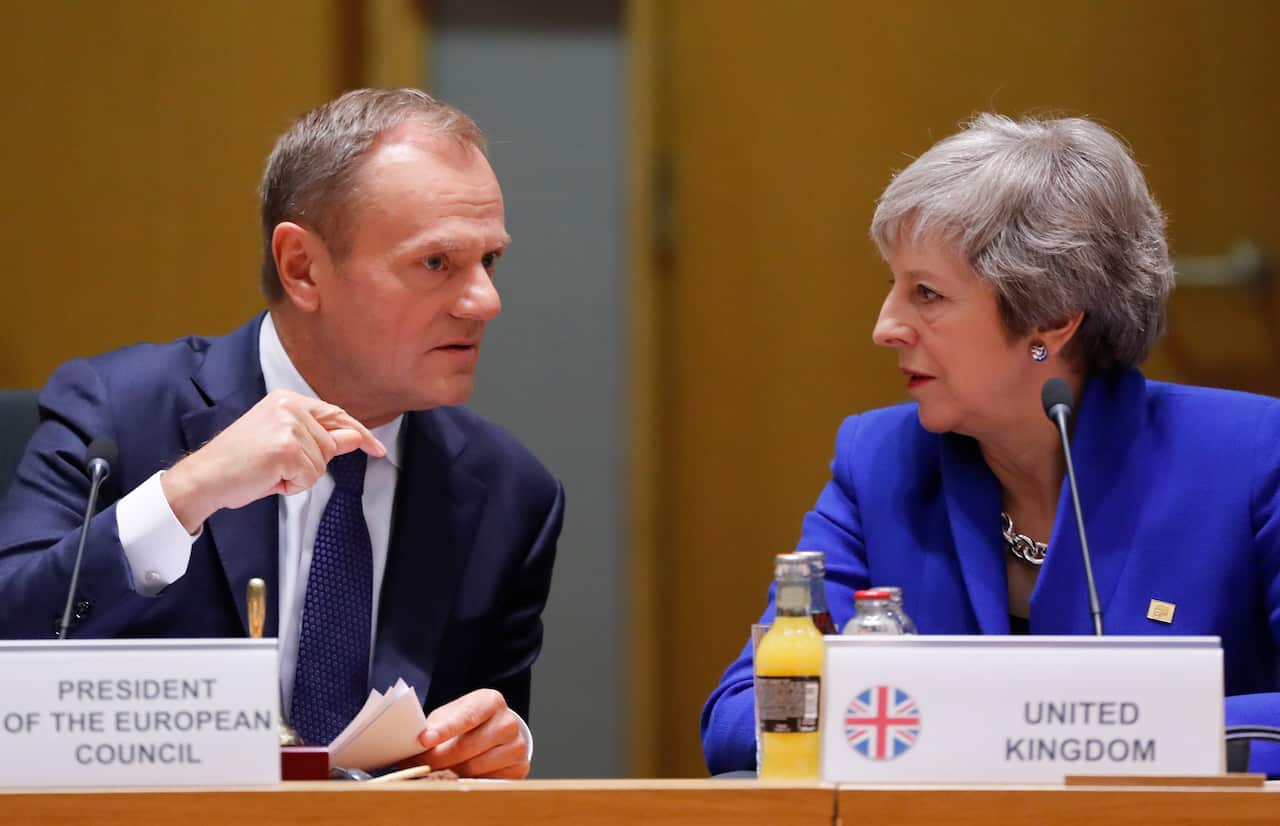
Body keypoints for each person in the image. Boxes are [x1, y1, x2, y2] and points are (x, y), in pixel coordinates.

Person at [0, 88, 564, 779]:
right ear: (302, 267)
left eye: (490, 262)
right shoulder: (118, 415)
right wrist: (185, 493)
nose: (485, 301)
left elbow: (477, 735)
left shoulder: (510, 495)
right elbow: (12, 637)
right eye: (436, 264)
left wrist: (501, 744)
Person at [701, 113, 1280, 775]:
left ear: (1051, 320)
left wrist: (1069, 730)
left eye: (927, 293)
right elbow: (744, 713)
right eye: (891, 286)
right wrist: (1006, 728)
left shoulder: (1251, 457)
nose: (885, 326)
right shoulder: (879, 462)